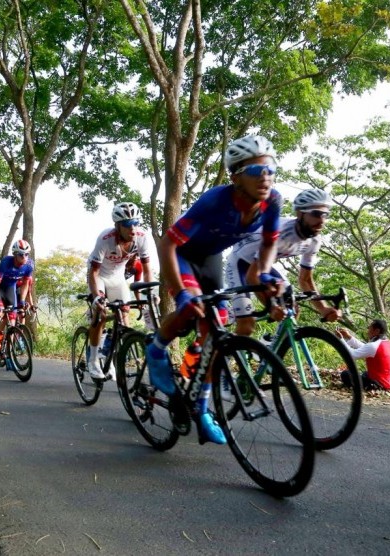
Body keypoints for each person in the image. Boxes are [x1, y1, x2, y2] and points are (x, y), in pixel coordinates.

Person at [145, 134, 283, 444]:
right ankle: (155, 350)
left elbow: (269, 244)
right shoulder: (215, 201)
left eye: (270, 170)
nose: (265, 178)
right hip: (182, 255)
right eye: (254, 171)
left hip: (211, 259)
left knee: (217, 329)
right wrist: (180, 292)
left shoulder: (272, 200)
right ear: (235, 177)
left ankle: (201, 406)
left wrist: (263, 273)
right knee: (189, 305)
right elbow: (168, 243)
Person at [226, 188, 341, 335]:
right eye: (316, 214)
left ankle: (271, 347)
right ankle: (220, 354)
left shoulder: (314, 241)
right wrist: (270, 306)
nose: (322, 220)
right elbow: (252, 276)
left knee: (291, 309)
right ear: (300, 213)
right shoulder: (281, 234)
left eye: (325, 214)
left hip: (262, 267)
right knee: (246, 326)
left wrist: (323, 308)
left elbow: (305, 280)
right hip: (240, 265)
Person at [86, 202, 154, 379]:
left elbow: (147, 270)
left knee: (124, 320)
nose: (133, 228)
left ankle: (113, 359)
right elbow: (93, 272)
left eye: (136, 223)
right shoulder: (105, 238)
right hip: (100, 276)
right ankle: (93, 361)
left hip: (117, 278)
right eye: (127, 225)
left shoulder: (141, 237)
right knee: (100, 314)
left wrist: (151, 293)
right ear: (117, 226)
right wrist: (96, 298)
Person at [0, 240, 35, 359]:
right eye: (21, 254)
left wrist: (23, 301)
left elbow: (25, 284)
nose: (24, 257)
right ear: (14, 254)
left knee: (12, 321)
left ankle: (9, 352)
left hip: (10, 288)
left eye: (26, 254)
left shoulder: (29, 265)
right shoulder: (6, 262)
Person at [337, 319, 390, 391]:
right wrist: (348, 337)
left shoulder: (374, 346)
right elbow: (365, 348)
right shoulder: (388, 343)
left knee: (345, 374)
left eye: (370, 328)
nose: (368, 330)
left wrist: (340, 339)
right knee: (365, 373)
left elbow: (352, 355)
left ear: (377, 331)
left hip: (380, 384)